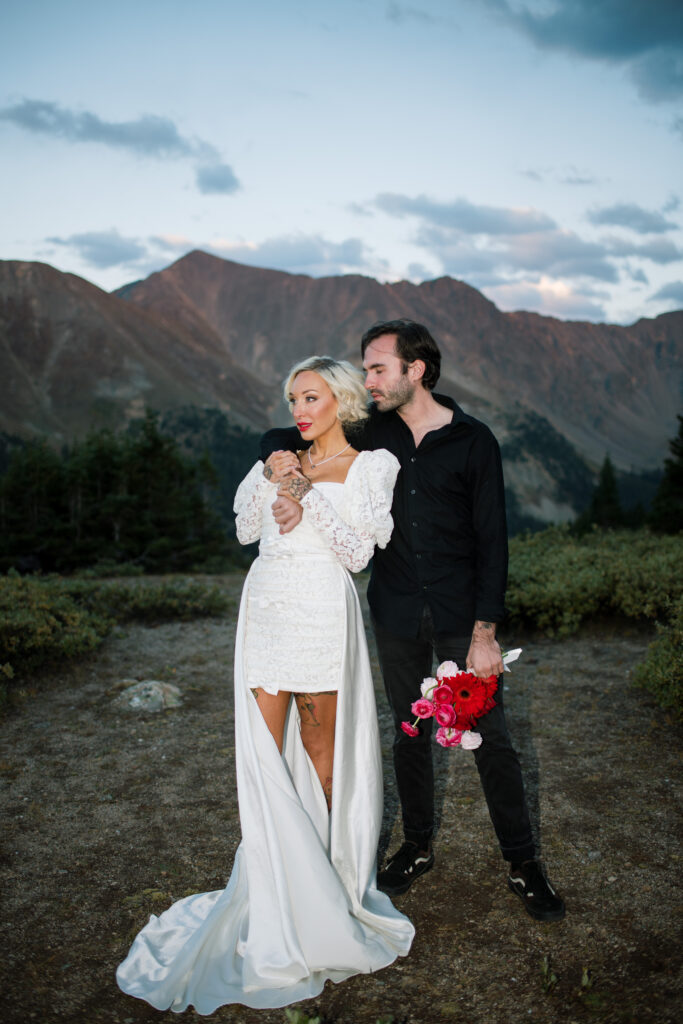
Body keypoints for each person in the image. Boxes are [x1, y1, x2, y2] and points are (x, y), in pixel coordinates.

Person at [116, 356, 414, 1014]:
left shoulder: (372, 467)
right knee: (262, 749)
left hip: (324, 608)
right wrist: (272, 482)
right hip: (270, 605)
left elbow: (361, 553)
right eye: (291, 399)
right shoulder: (277, 457)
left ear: (340, 399)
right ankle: (273, 887)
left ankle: (332, 881)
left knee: (322, 747)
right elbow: (247, 531)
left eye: (310, 397)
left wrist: (307, 498)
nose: (299, 409)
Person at [262, 320, 565, 923]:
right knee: (408, 731)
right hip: (396, 609)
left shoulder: (475, 442)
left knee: (491, 738)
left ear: (415, 370)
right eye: (367, 370)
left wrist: (486, 634)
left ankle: (523, 861)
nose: (368, 380)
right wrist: (278, 455)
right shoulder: (371, 432)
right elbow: (291, 429)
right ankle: (417, 846)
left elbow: (492, 541)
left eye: (378, 369)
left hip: (460, 616)